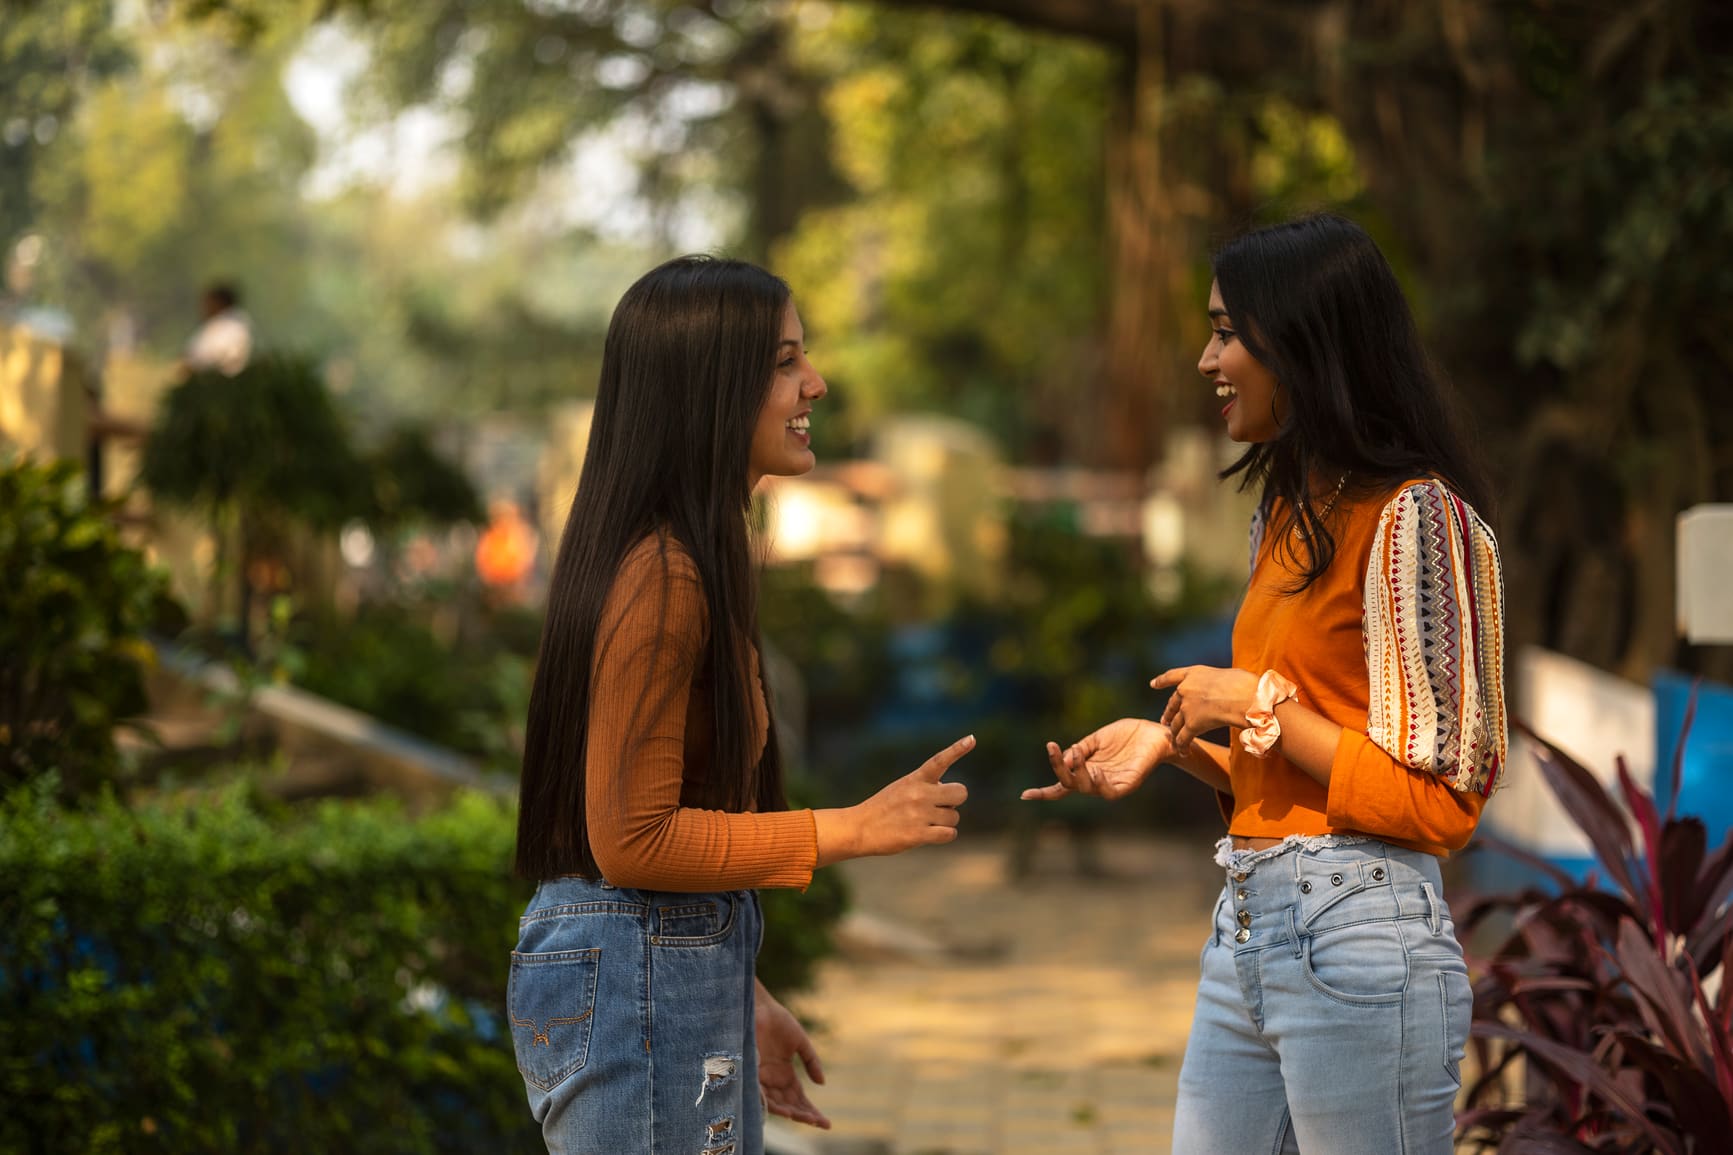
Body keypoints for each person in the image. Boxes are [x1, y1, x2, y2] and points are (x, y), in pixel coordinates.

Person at [1024, 213, 1506, 1154]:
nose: (1206, 359)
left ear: (1305, 337)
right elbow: (1288, 773)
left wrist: (1252, 702)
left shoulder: (1417, 519)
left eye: (1224, 330)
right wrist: (1173, 743)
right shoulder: (1284, 517)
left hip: (1362, 935)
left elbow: (1438, 804)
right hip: (1246, 923)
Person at [511, 256, 974, 1154]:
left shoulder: (695, 554)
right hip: (636, 976)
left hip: (663, 970)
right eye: (782, 361)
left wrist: (738, 991)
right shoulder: (662, 575)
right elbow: (630, 838)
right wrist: (850, 828)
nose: (815, 383)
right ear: (708, 386)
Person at [182, 282, 252, 377]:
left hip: (222, 381)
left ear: (219, 302)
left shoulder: (232, 325)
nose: (204, 308)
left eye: (209, 303)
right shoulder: (217, 323)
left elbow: (210, 356)